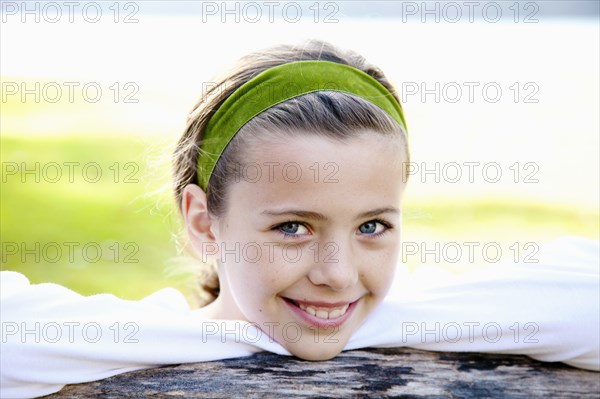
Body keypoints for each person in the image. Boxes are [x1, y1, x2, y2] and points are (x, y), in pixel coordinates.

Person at [1, 39, 598, 399]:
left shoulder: (425, 314)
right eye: (293, 228)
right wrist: (224, 336)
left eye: (372, 227)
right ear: (204, 223)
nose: (338, 276)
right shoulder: (138, 335)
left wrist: (381, 321)